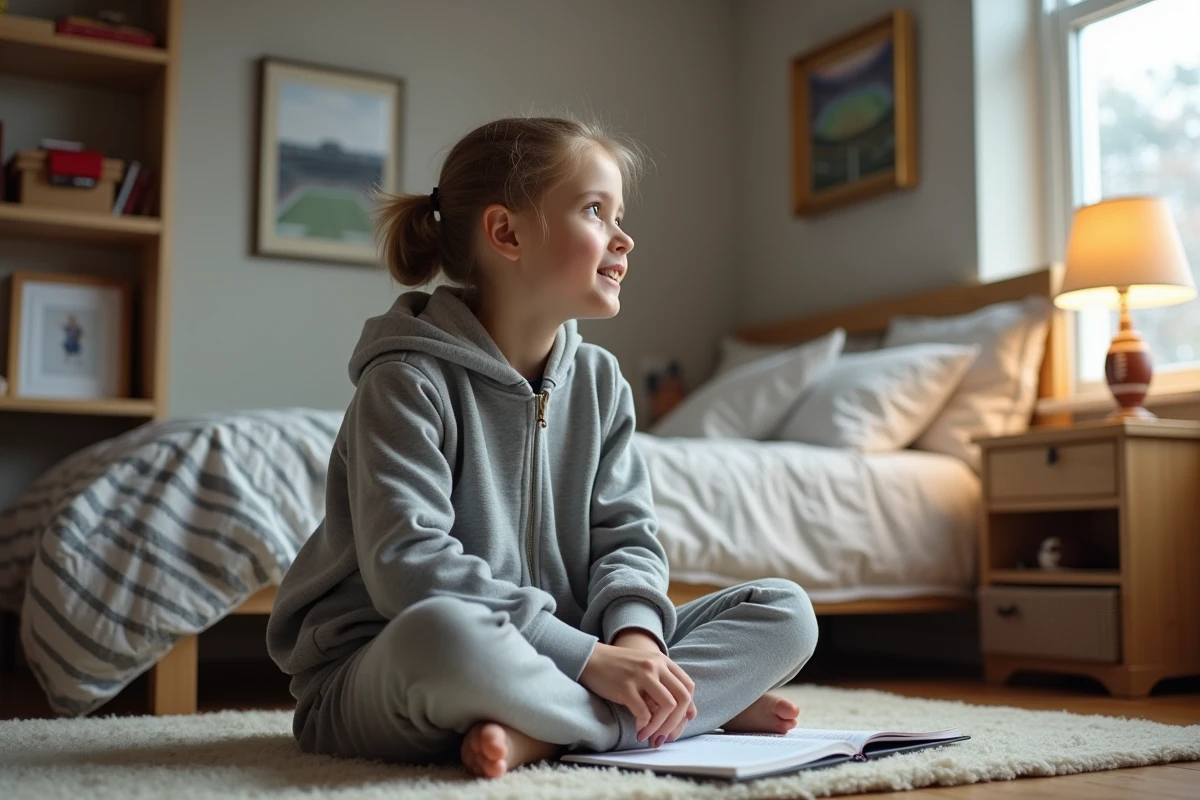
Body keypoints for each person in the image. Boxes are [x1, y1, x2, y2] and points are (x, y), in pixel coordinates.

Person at [265, 115, 819, 780]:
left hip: (559, 656)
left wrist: (637, 645)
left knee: (786, 611)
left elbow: (627, 540)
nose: (625, 238)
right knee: (442, 633)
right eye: (595, 211)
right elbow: (409, 570)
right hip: (385, 671)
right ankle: (671, 716)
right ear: (506, 233)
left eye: (620, 214)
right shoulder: (404, 380)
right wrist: (591, 662)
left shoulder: (601, 382)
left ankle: (559, 731)